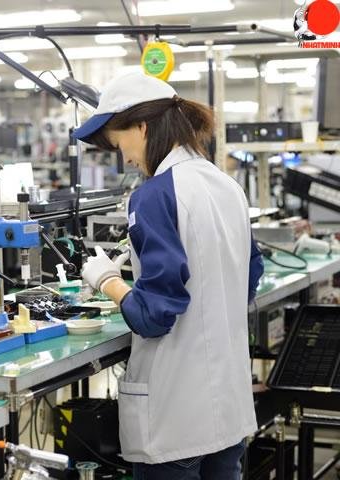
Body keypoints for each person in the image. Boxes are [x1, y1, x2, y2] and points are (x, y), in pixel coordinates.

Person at [76, 72, 264, 480]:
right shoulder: (227, 186)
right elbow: (250, 276)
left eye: (119, 144)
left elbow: (152, 317)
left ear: (142, 127)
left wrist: (108, 280)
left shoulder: (154, 195)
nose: (125, 159)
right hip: (228, 408)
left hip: (175, 416)